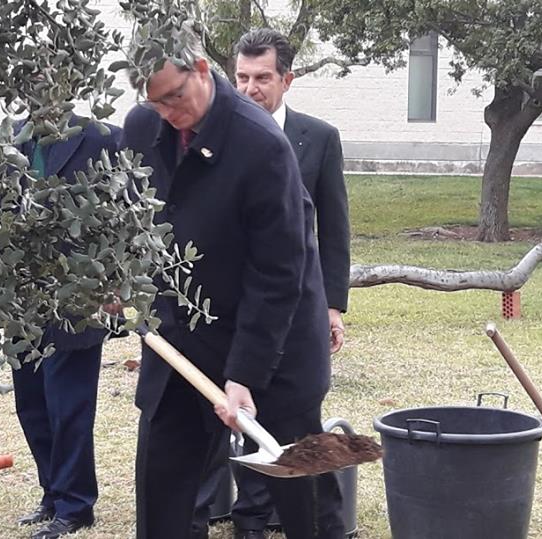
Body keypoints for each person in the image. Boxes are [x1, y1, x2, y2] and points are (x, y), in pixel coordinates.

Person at [119, 35, 345, 539]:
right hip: (180, 333)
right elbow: (125, 217)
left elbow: (279, 271)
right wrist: (119, 275)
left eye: (174, 95)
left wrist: (244, 373)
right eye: (153, 100)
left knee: (297, 488)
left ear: (201, 69)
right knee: (164, 475)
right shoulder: (142, 126)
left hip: (274, 338)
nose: (166, 111)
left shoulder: (260, 143)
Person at [190, 28, 351, 539]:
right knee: (242, 409)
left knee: (299, 416)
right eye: (241, 77)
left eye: (262, 78)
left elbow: (334, 226)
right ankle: (249, 517)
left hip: (298, 306)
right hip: (239, 307)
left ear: (287, 79)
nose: (250, 88)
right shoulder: (218, 138)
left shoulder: (318, 138)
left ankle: (319, 516)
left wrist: (332, 304)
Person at [11, 118, 121, 539]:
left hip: (78, 296)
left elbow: (124, 210)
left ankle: (76, 506)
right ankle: (52, 493)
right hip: (19, 300)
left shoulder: (101, 137)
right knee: (32, 404)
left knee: (69, 407)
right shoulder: (12, 137)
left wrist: (113, 281)